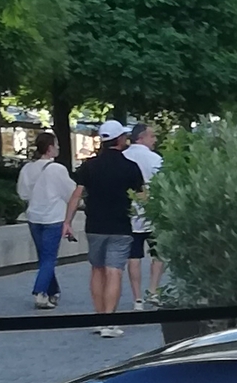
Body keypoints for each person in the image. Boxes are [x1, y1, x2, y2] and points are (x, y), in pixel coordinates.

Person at [68, 119, 143, 331]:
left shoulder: (89, 166)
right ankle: (110, 321)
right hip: (120, 226)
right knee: (114, 272)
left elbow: (76, 195)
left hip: (94, 226)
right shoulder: (130, 167)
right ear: (119, 139)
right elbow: (143, 197)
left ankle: (99, 318)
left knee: (97, 270)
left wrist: (67, 222)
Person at [17, 130, 71, 307]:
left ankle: (53, 291)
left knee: (44, 256)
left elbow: (23, 194)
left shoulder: (27, 168)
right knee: (49, 257)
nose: (58, 148)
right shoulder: (57, 169)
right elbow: (70, 192)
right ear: (49, 148)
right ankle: (40, 292)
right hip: (53, 217)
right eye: (56, 145)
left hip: (34, 217)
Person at [123, 119, 163, 312]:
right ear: (142, 137)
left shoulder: (123, 157)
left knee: (134, 256)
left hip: (129, 214)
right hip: (153, 213)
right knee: (159, 254)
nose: (154, 139)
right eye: (152, 135)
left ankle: (137, 298)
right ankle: (153, 291)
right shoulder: (155, 159)